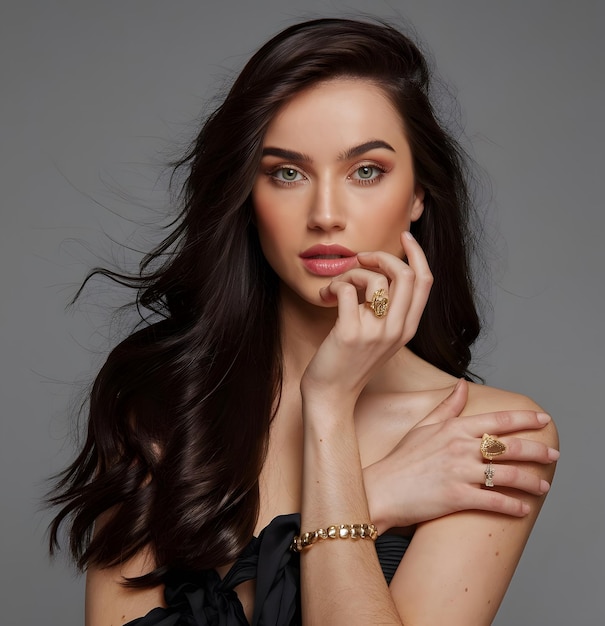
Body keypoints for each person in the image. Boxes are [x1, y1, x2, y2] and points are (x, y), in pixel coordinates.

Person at [47, 18, 559, 626]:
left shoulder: (488, 439)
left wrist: (327, 401)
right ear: (247, 192)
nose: (325, 214)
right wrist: (372, 499)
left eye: (366, 171)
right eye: (286, 173)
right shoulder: (159, 399)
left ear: (419, 194)